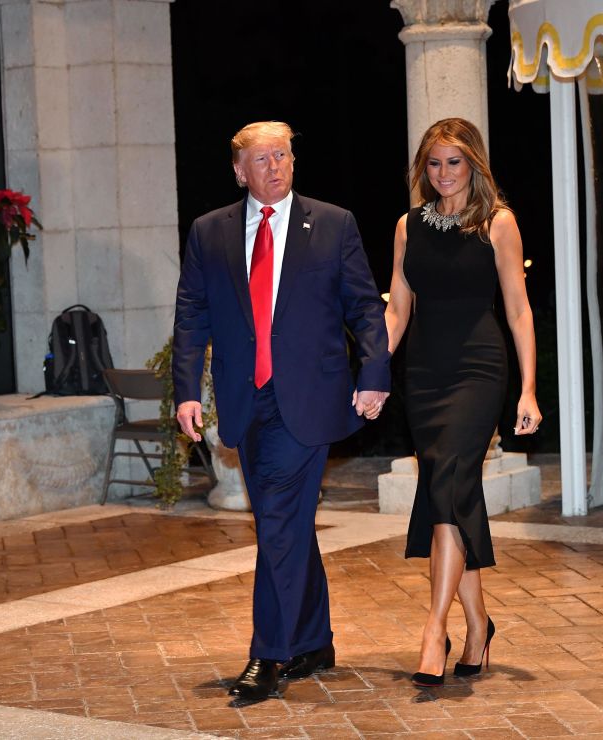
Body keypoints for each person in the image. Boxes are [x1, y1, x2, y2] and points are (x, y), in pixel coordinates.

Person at [173, 121, 391, 702]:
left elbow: (366, 308)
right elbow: (191, 312)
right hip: (248, 400)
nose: (275, 165)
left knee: (275, 523)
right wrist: (188, 390)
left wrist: (373, 376)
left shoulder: (333, 224)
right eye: (262, 158)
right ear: (239, 170)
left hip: (310, 399)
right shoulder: (209, 232)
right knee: (286, 523)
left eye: (283, 155)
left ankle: (269, 652)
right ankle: (314, 640)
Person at [382, 118, 540, 687]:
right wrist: (374, 368)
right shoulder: (407, 227)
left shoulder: (499, 224)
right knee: (451, 494)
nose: (443, 173)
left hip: (478, 368)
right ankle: (477, 624)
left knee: (447, 482)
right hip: (423, 372)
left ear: (474, 163)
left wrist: (528, 388)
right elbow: (397, 309)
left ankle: (433, 629)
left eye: (454, 162)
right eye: (433, 163)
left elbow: (519, 310)